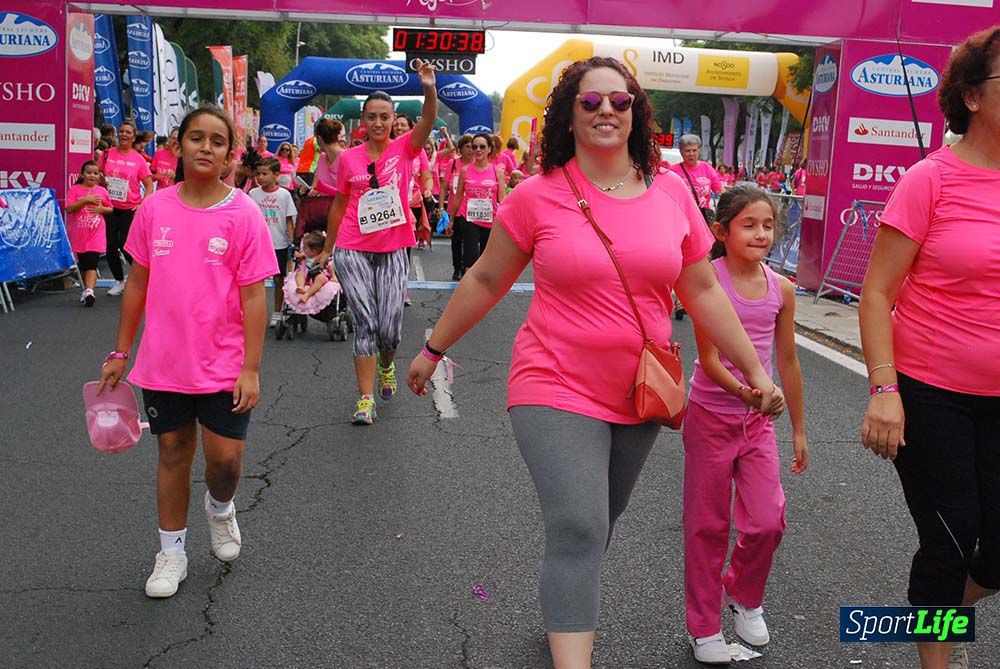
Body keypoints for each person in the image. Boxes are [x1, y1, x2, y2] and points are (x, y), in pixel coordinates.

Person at [406, 56, 782, 669]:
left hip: (640, 388)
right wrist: (432, 348)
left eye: (620, 100)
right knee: (580, 524)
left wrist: (756, 372)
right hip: (551, 382)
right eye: (590, 101)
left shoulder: (671, 192)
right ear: (569, 115)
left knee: (598, 522)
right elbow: (487, 278)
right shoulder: (536, 196)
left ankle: (563, 606)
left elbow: (703, 291)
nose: (606, 110)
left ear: (636, 112)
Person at [859, 25, 1000, 669]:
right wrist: (884, 390)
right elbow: (876, 293)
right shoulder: (929, 180)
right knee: (951, 538)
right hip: (931, 390)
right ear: (971, 96)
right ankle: (937, 645)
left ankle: (941, 616)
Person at [97, 106, 277, 599]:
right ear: (178, 146)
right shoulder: (154, 208)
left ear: (229, 154)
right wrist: (120, 352)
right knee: (173, 452)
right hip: (165, 362)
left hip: (224, 365)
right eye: (196, 138)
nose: (205, 148)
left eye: (217, 141)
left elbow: (255, 297)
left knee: (225, 461)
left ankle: (220, 508)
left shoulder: (243, 213)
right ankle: (171, 552)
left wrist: (251, 369)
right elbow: (137, 284)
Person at [683, 185, 807, 664]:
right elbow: (710, 360)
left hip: (760, 424)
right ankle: (704, 628)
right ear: (721, 232)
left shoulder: (783, 289)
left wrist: (798, 429)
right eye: (749, 225)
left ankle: (743, 592)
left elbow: (788, 360)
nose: (761, 234)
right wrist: (747, 393)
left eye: (768, 226)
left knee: (768, 520)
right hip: (711, 417)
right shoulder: (707, 283)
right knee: (707, 526)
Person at [318, 60, 439, 425]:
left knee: (389, 329)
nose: (378, 123)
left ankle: (387, 366)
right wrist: (328, 248)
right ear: (362, 120)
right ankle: (365, 398)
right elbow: (340, 203)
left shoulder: (405, 148)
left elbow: (428, 120)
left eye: (384, 117)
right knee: (366, 323)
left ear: (393, 118)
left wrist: (429, 88)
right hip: (352, 248)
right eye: (371, 117)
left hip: (392, 248)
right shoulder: (348, 158)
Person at [99, 120, 154, 296]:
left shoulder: (138, 159)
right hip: (109, 207)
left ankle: (145, 278)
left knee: (126, 246)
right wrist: (101, 182)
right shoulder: (106, 154)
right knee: (110, 246)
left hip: (129, 209)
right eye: (121, 131)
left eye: (128, 132)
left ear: (133, 137)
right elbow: (97, 175)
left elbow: (149, 185)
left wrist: (141, 205)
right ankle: (119, 281)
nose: (124, 134)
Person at [249, 157, 297, 326]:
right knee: (255, 280)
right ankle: (255, 312)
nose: (260, 177)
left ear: (276, 175)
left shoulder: (284, 195)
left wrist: (292, 241)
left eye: (265, 174)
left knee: (278, 278)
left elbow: (289, 219)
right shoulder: (253, 194)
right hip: (257, 243)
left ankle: (277, 311)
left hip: (278, 243)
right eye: (258, 174)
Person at [448, 132, 505, 271]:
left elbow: (502, 200)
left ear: (489, 149)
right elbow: (458, 196)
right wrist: (451, 220)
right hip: (469, 219)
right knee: (470, 257)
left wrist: (504, 224)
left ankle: (484, 284)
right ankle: (468, 282)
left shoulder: (497, 172)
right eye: (475, 147)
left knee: (487, 260)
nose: (478, 150)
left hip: (490, 220)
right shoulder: (465, 171)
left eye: (482, 147)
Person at [65, 160, 113, 307]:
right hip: (80, 233)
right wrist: (85, 200)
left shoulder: (102, 191)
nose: (92, 175)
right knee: (84, 263)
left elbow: (110, 208)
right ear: (82, 174)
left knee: (92, 261)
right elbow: (69, 209)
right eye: (89, 172)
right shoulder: (75, 190)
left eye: (95, 173)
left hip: (96, 232)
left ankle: (90, 291)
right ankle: (86, 291)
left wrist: (102, 209)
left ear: (99, 176)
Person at [298, 118, 344, 237]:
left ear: (319, 139)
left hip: (340, 215)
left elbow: (349, 193)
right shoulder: (322, 158)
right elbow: (316, 184)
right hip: (321, 215)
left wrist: (325, 189)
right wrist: (309, 190)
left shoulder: (346, 158)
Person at [670, 134, 722, 222]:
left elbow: (720, 191)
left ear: (699, 151)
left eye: (694, 150)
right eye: (687, 151)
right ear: (681, 152)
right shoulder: (672, 172)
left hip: (702, 217)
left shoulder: (707, 168)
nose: (691, 154)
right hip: (680, 217)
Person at [446, 134, 474, 280]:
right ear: (461, 149)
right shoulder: (453, 164)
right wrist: (441, 207)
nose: (471, 150)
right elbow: (444, 186)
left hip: (472, 210)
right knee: (456, 240)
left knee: (470, 241)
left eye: (472, 147)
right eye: (467, 146)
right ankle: (457, 268)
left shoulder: (477, 164)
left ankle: (467, 267)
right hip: (456, 208)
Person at [294, 231, 336, 302]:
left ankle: (307, 294)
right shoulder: (306, 255)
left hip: (318, 274)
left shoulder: (323, 257)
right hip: (306, 275)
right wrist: (298, 255)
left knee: (320, 279)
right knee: (299, 274)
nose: (302, 249)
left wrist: (333, 276)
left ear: (314, 250)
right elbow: (300, 256)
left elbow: (330, 266)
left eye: (305, 247)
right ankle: (301, 286)